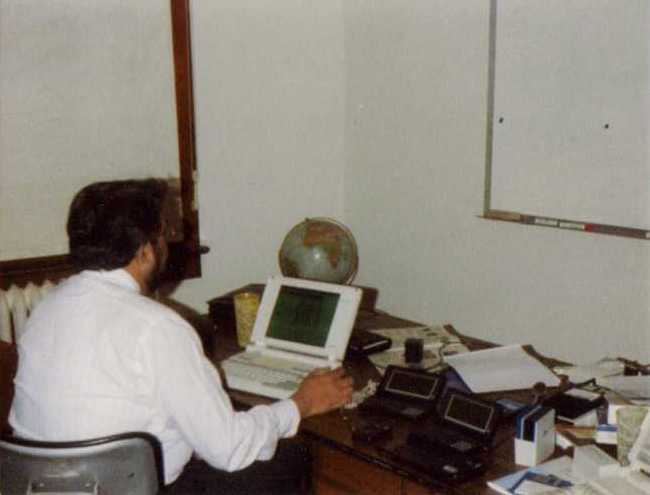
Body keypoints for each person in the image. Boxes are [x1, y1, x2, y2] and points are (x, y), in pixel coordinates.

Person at [9, 179, 353, 494]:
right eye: (162, 236)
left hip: (43, 488)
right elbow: (229, 448)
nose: (166, 245)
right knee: (288, 458)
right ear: (145, 251)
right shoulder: (158, 328)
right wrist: (301, 403)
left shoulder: (46, 310)